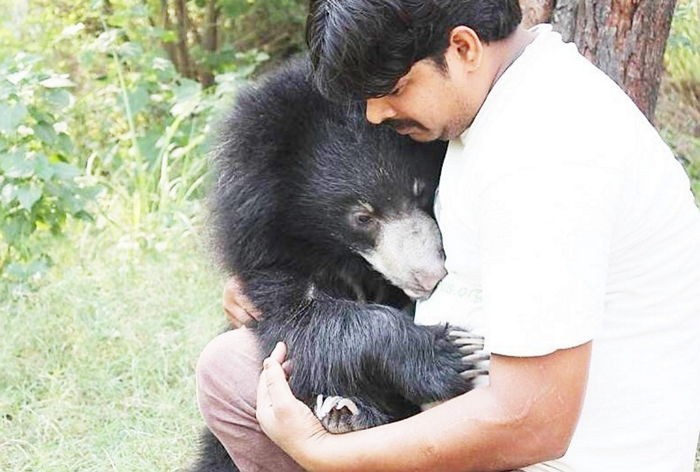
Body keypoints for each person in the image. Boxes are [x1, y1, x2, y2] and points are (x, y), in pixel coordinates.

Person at [196, 1, 700, 471]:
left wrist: (324, 452)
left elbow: (531, 422)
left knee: (239, 378)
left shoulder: (545, 158)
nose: (375, 115)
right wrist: (276, 282)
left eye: (393, 90)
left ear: (463, 48)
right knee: (230, 368)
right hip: (476, 401)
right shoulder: (508, 94)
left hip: (539, 453)